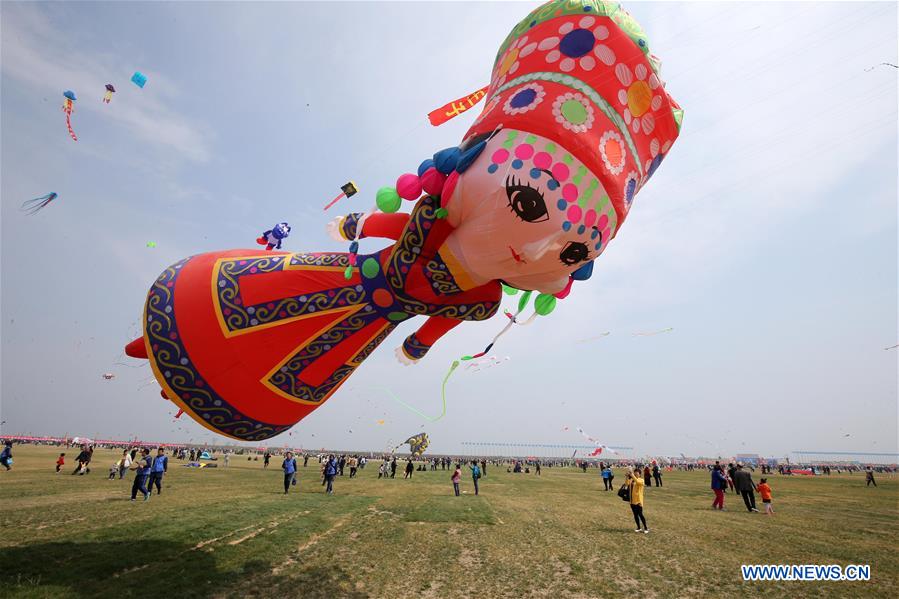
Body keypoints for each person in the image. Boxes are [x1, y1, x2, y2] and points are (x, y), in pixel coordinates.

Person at [627, 467, 648, 533]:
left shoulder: (641, 480)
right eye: (635, 473)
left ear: (640, 474)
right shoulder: (632, 480)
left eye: (637, 473)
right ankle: (638, 527)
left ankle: (646, 528)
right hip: (632, 500)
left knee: (640, 514)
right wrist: (627, 477)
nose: (635, 474)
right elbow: (626, 484)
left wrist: (632, 475)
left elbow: (638, 482)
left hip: (638, 500)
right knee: (635, 515)